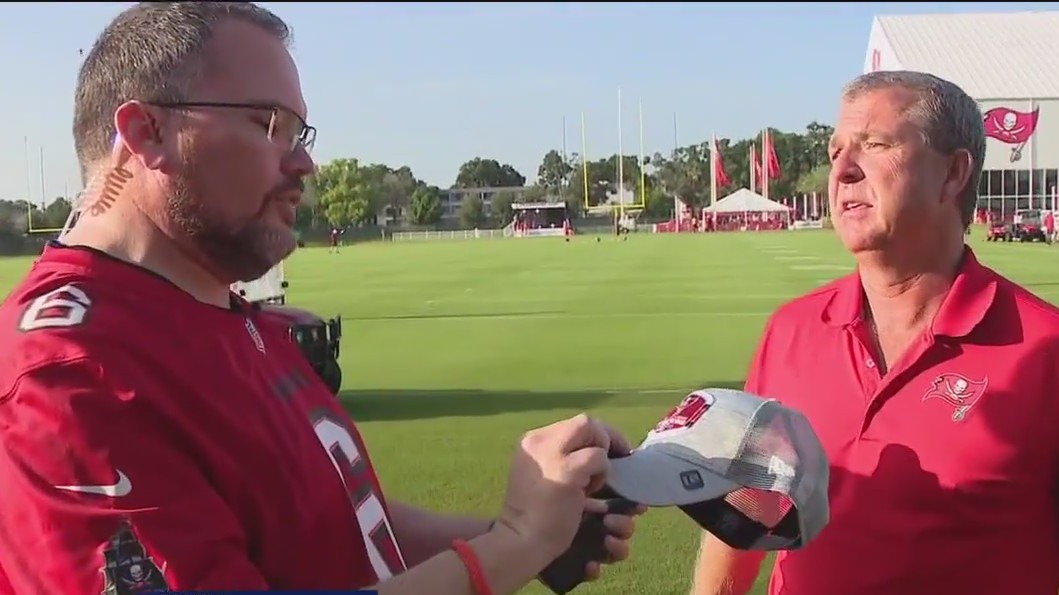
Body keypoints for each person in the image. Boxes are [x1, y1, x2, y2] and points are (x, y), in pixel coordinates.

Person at [0, 3, 640, 594]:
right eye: (269, 124)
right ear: (146, 133)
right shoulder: (69, 374)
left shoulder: (228, 316)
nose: (304, 164)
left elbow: (346, 527)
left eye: (300, 134)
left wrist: (523, 539)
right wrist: (510, 547)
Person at [691, 70, 1059, 595]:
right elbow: (746, 513)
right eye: (835, 150)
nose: (841, 170)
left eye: (875, 145)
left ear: (953, 174)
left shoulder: (1046, 351)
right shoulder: (791, 331)